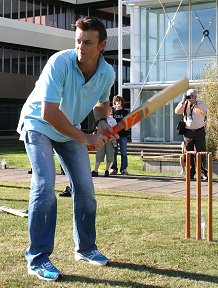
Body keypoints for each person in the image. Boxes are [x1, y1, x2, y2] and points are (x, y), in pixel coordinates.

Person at [17, 16, 116, 281]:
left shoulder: (107, 73)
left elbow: (101, 103)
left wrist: (103, 123)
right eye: (78, 41)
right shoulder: (59, 62)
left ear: (102, 46)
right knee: (44, 184)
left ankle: (86, 248)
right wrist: (87, 138)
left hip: (68, 126)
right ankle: (38, 259)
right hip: (38, 123)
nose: (81, 47)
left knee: (86, 190)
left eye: (88, 42)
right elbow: (49, 113)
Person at [175, 89, 208, 180]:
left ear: (196, 96)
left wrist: (195, 103)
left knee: (200, 152)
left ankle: (202, 172)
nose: (191, 98)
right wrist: (182, 102)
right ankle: (191, 172)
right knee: (188, 153)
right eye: (189, 96)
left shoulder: (199, 102)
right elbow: (176, 111)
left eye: (192, 96)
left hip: (199, 131)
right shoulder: (185, 103)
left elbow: (205, 109)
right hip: (188, 132)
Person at [92, 107, 117, 177]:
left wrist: (114, 139)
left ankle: (107, 170)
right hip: (101, 139)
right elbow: (97, 129)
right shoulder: (100, 120)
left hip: (110, 140)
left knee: (109, 155)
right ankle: (95, 170)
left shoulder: (113, 120)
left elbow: (115, 130)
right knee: (99, 154)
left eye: (108, 111)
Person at [110, 95, 129, 175]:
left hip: (123, 135)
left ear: (122, 102)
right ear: (114, 102)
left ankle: (123, 168)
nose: (118, 102)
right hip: (114, 135)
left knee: (123, 152)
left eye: (119, 101)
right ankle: (113, 168)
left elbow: (127, 123)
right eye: (117, 101)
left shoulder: (125, 112)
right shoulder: (112, 112)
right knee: (114, 152)